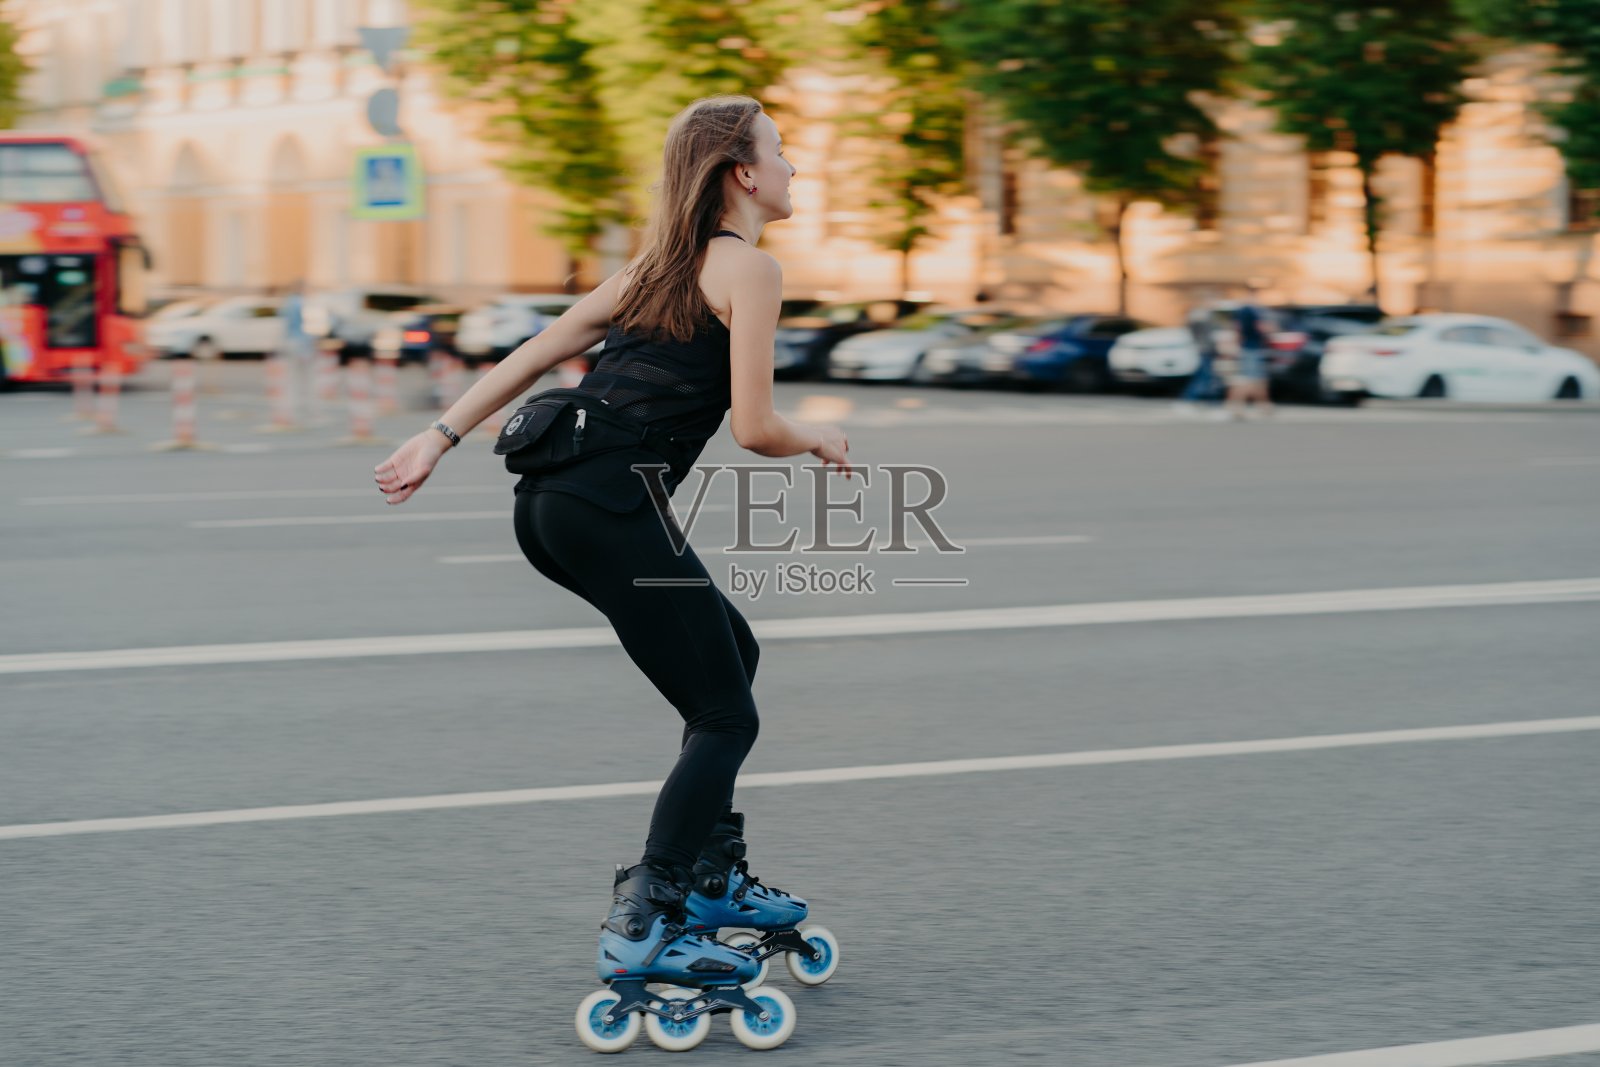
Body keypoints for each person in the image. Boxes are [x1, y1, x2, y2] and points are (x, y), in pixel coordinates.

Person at [372, 96, 850, 1039]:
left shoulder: (655, 270)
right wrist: (818, 439)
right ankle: (652, 916)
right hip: (608, 504)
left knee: (732, 655)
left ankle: (711, 876)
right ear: (743, 174)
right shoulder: (749, 270)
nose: (795, 168)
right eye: (782, 152)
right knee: (725, 711)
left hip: (550, 507)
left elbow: (538, 350)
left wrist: (438, 437)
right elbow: (756, 429)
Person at [1225, 298, 1275, 419]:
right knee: (1249, 379)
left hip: (1248, 348)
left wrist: (1235, 345)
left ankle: (1265, 406)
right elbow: (1261, 327)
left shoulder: (1242, 311)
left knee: (1259, 380)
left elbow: (1237, 329)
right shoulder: (1251, 311)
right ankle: (1235, 406)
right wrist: (1272, 329)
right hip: (1252, 349)